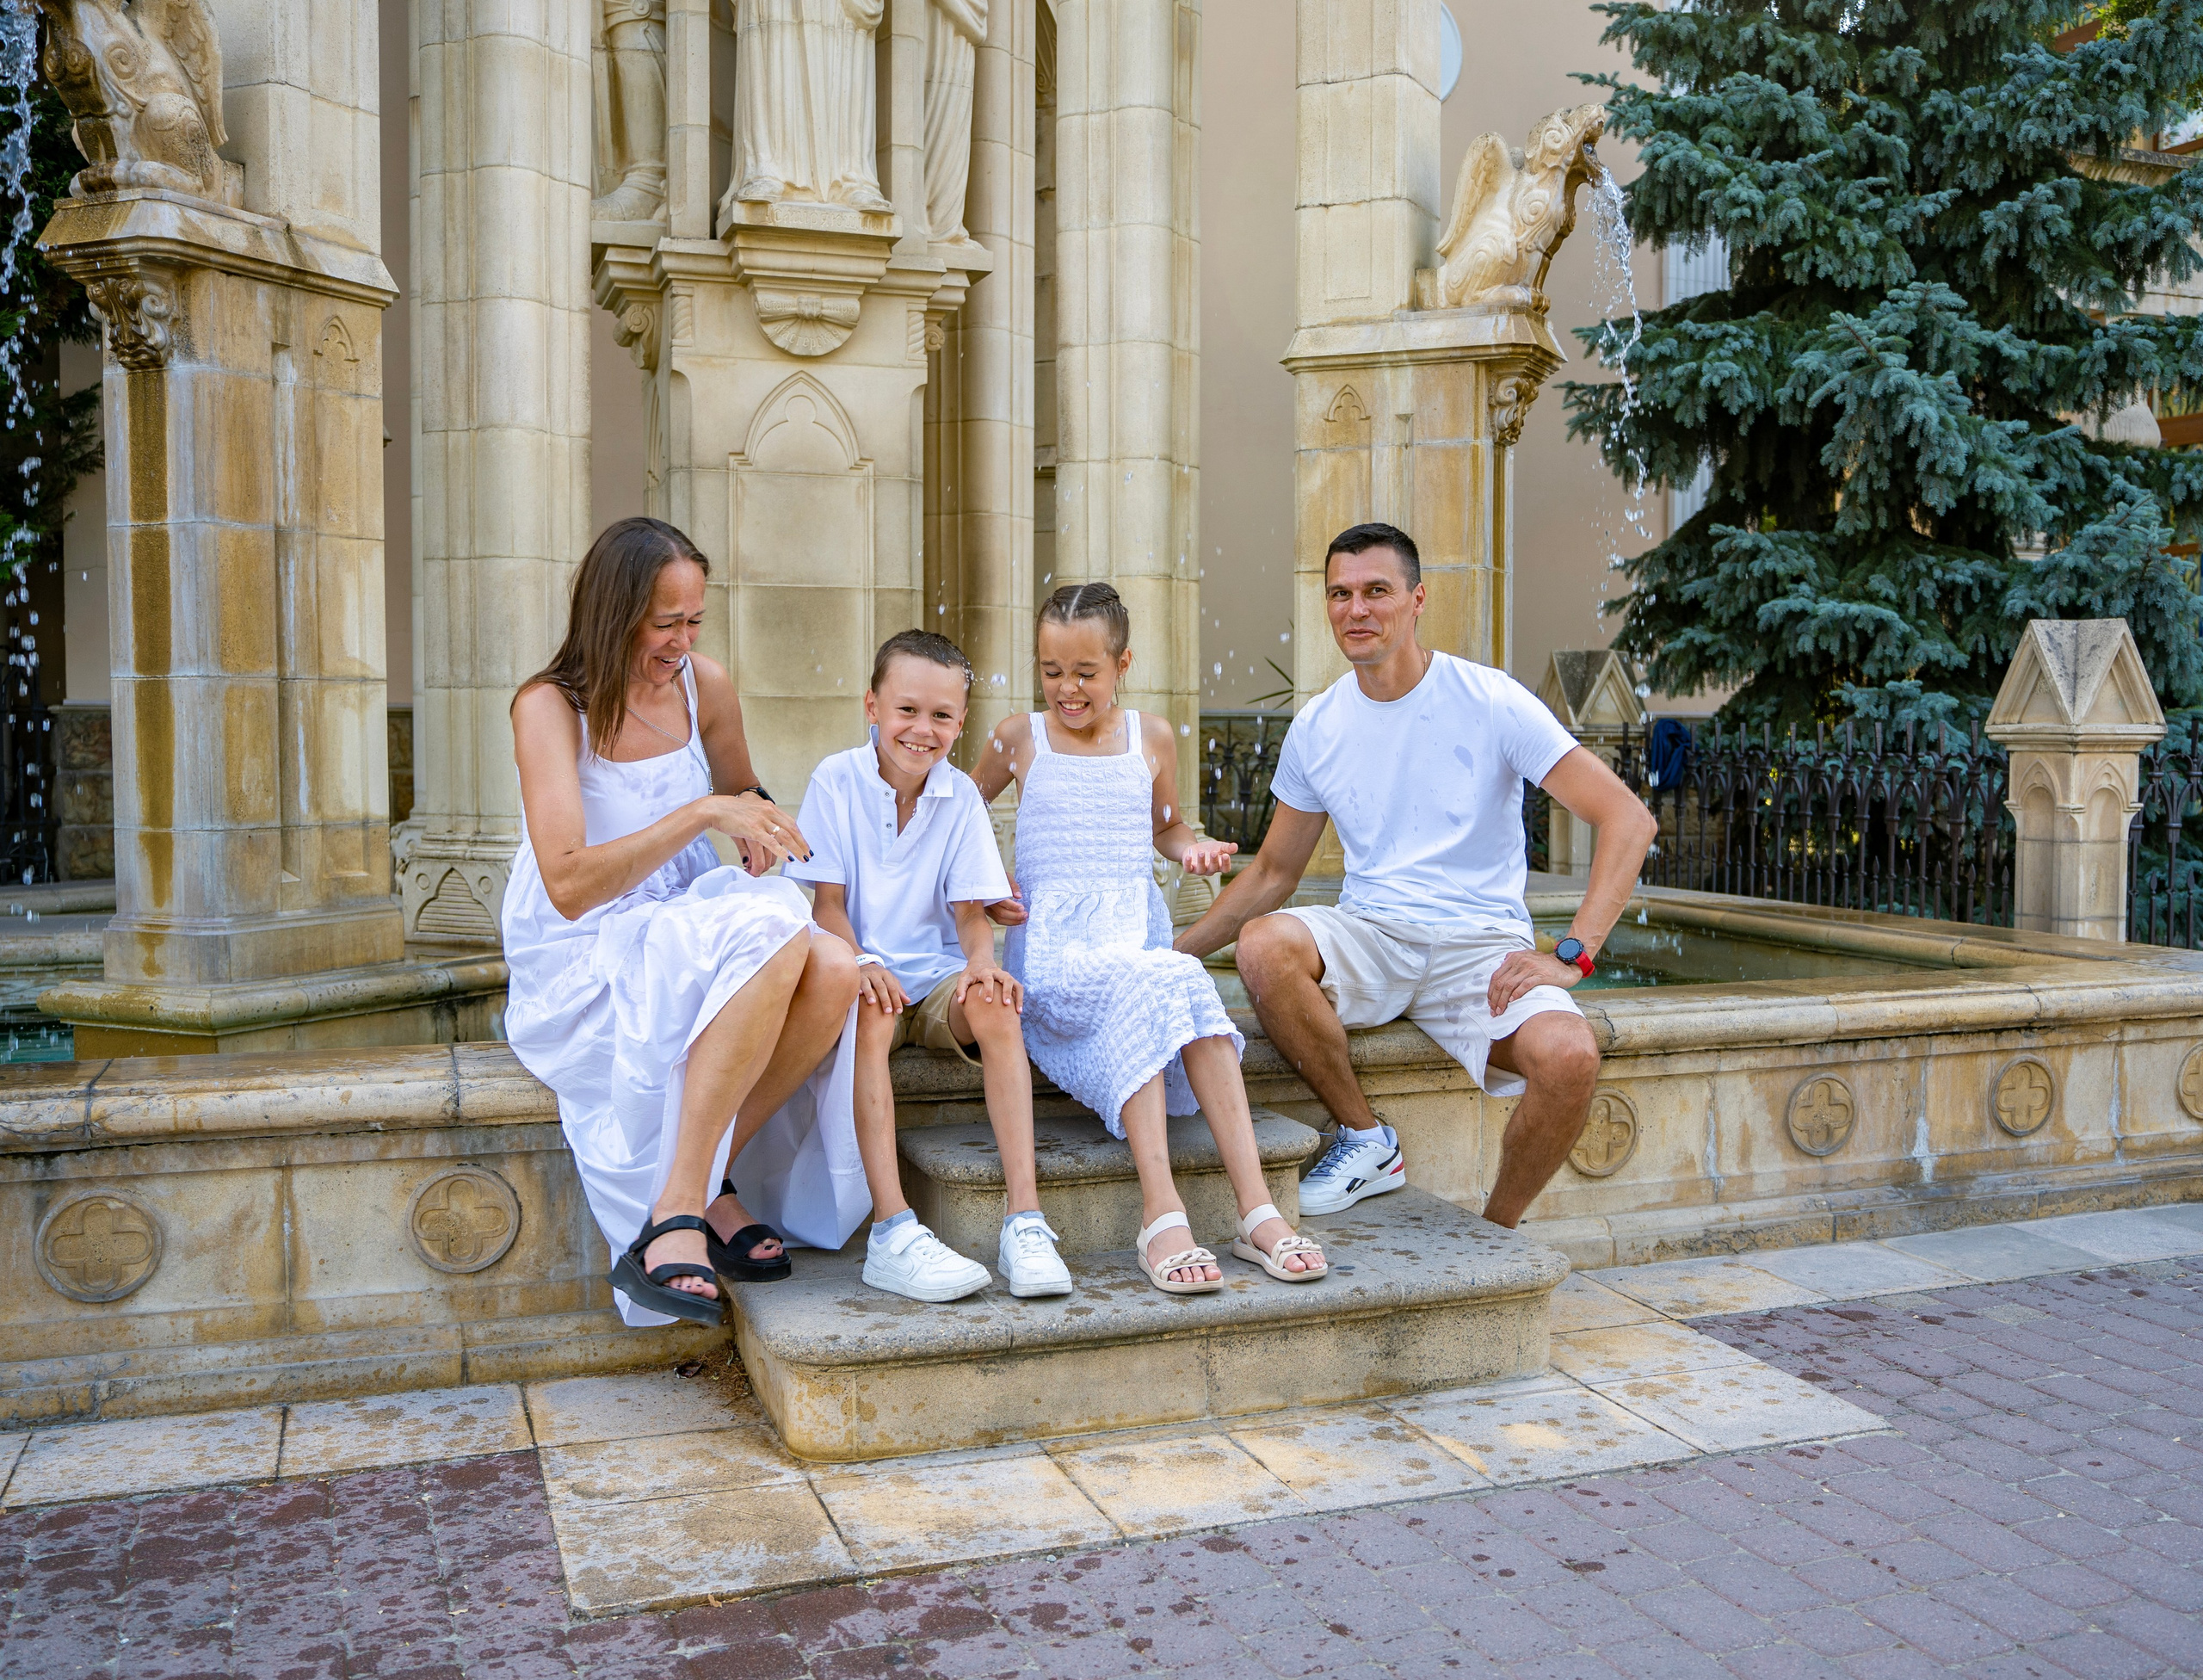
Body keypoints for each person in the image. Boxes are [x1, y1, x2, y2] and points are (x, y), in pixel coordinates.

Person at [1176, 522, 1657, 1230]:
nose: (1357, 610)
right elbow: (1275, 872)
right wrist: (1171, 958)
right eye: (1340, 594)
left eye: (1377, 591)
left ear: (1416, 599)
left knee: (1570, 1058)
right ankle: (1367, 1140)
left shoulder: (1489, 700)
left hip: (1480, 949)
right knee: (1262, 945)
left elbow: (1627, 819)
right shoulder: (1318, 726)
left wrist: (1573, 955)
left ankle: (1496, 1234)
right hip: (1374, 933)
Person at [503, 517, 866, 1327]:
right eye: (665, 623)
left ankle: (695, 1187)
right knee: (771, 936)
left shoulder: (706, 686)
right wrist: (698, 812)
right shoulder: (550, 707)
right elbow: (566, 883)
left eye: (694, 619)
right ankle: (679, 1214)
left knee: (837, 967)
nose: (683, 640)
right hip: (586, 940)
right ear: (613, 612)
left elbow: (746, 794)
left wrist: (761, 830)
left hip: (681, 914)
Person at [974, 584, 1329, 1294]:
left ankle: (1255, 1209)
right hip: (1058, 958)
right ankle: (1163, 1212)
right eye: (1051, 671)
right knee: (1162, 978)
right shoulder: (1019, 738)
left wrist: (1189, 848)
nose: (1066, 689)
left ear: (1121, 663)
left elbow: (1166, 826)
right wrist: (989, 885)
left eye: (1085, 673)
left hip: (1131, 938)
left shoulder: (1153, 737)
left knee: (1175, 975)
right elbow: (960, 815)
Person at [785, 630, 1072, 1302]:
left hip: (934, 973)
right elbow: (827, 903)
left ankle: (1024, 1222)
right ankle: (892, 1229)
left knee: (1000, 1003)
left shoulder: (961, 798)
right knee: (873, 1013)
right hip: (859, 967)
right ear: (873, 707)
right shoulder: (836, 780)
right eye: (907, 710)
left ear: (961, 722)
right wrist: (858, 959)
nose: (923, 730)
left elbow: (972, 909)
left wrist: (980, 964)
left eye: (942, 716)